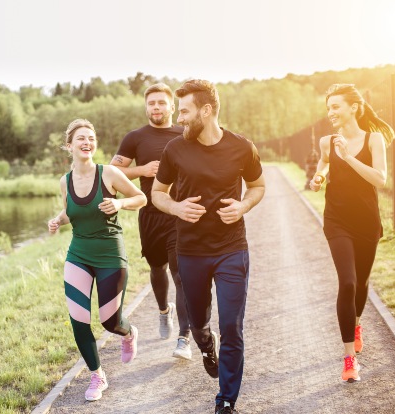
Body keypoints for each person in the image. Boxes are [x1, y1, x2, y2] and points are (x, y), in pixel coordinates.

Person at [151, 79, 265, 414]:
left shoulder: (242, 147)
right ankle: (204, 342)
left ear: (206, 110)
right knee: (200, 322)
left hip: (232, 248)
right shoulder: (175, 149)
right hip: (191, 251)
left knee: (232, 325)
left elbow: (258, 186)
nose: (180, 118)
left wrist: (244, 206)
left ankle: (226, 400)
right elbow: (158, 194)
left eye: (184, 111)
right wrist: (176, 207)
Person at [48, 118, 147, 402]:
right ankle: (97, 375)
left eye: (91, 138)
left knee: (109, 320)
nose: (87, 142)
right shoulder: (64, 181)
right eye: (80, 138)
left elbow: (141, 198)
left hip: (110, 256)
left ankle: (128, 333)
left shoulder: (110, 174)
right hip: (78, 254)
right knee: (79, 319)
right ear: (69, 145)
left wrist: (119, 203)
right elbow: (72, 212)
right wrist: (58, 220)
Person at [309, 83, 395, 383]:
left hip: (367, 221)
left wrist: (349, 157)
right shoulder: (326, 142)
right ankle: (349, 359)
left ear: (353, 108)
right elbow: (323, 164)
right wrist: (318, 177)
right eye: (328, 107)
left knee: (361, 283)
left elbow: (381, 179)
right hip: (337, 220)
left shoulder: (374, 140)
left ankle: (357, 323)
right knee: (347, 283)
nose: (330, 112)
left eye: (336, 106)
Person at [110, 82, 193, 359]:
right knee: (157, 268)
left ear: (172, 106)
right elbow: (112, 172)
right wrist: (142, 169)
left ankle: (184, 338)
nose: (156, 107)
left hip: (178, 214)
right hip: (150, 215)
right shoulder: (135, 137)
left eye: (161, 103)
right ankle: (163, 311)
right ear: (147, 108)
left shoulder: (186, 132)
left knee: (180, 274)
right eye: (151, 103)